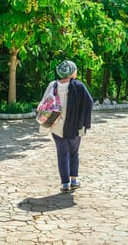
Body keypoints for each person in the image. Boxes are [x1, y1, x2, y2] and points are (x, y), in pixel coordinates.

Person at [38, 60, 93, 193]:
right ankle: (74, 180)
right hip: (75, 127)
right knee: (74, 153)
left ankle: (65, 184)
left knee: (62, 154)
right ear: (72, 72)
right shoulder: (79, 86)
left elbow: (43, 103)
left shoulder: (53, 85)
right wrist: (85, 123)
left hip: (56, 125)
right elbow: (89, 102)